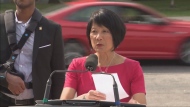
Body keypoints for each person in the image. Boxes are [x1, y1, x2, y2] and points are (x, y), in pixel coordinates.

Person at [60, 8, 146, 104]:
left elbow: (140, 103)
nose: (98, 37)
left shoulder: (133, 67)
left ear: (116, 35)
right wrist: (84, 98)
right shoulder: (77, 65)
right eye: (94, 31)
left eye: (105, 31)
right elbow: (63, 103)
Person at [0, 0, 65, 106]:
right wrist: (5, 77)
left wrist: (55, 103)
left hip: (37, 102)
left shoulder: (52, 29)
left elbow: (58, 74)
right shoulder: (1, 23)